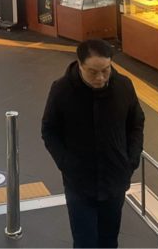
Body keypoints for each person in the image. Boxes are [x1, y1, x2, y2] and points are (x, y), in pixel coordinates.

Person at [42, 39, 145, 248]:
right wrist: (66, 164)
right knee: (84, 242)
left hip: (114, 180)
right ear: (80, 65)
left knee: (109, 240)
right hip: (79, 184)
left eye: (106, 70)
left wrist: (130, 161)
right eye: (92, 72)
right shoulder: (62, 90)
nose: (100, 78)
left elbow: (136, 123)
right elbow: (49, 130)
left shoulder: (123, 86)